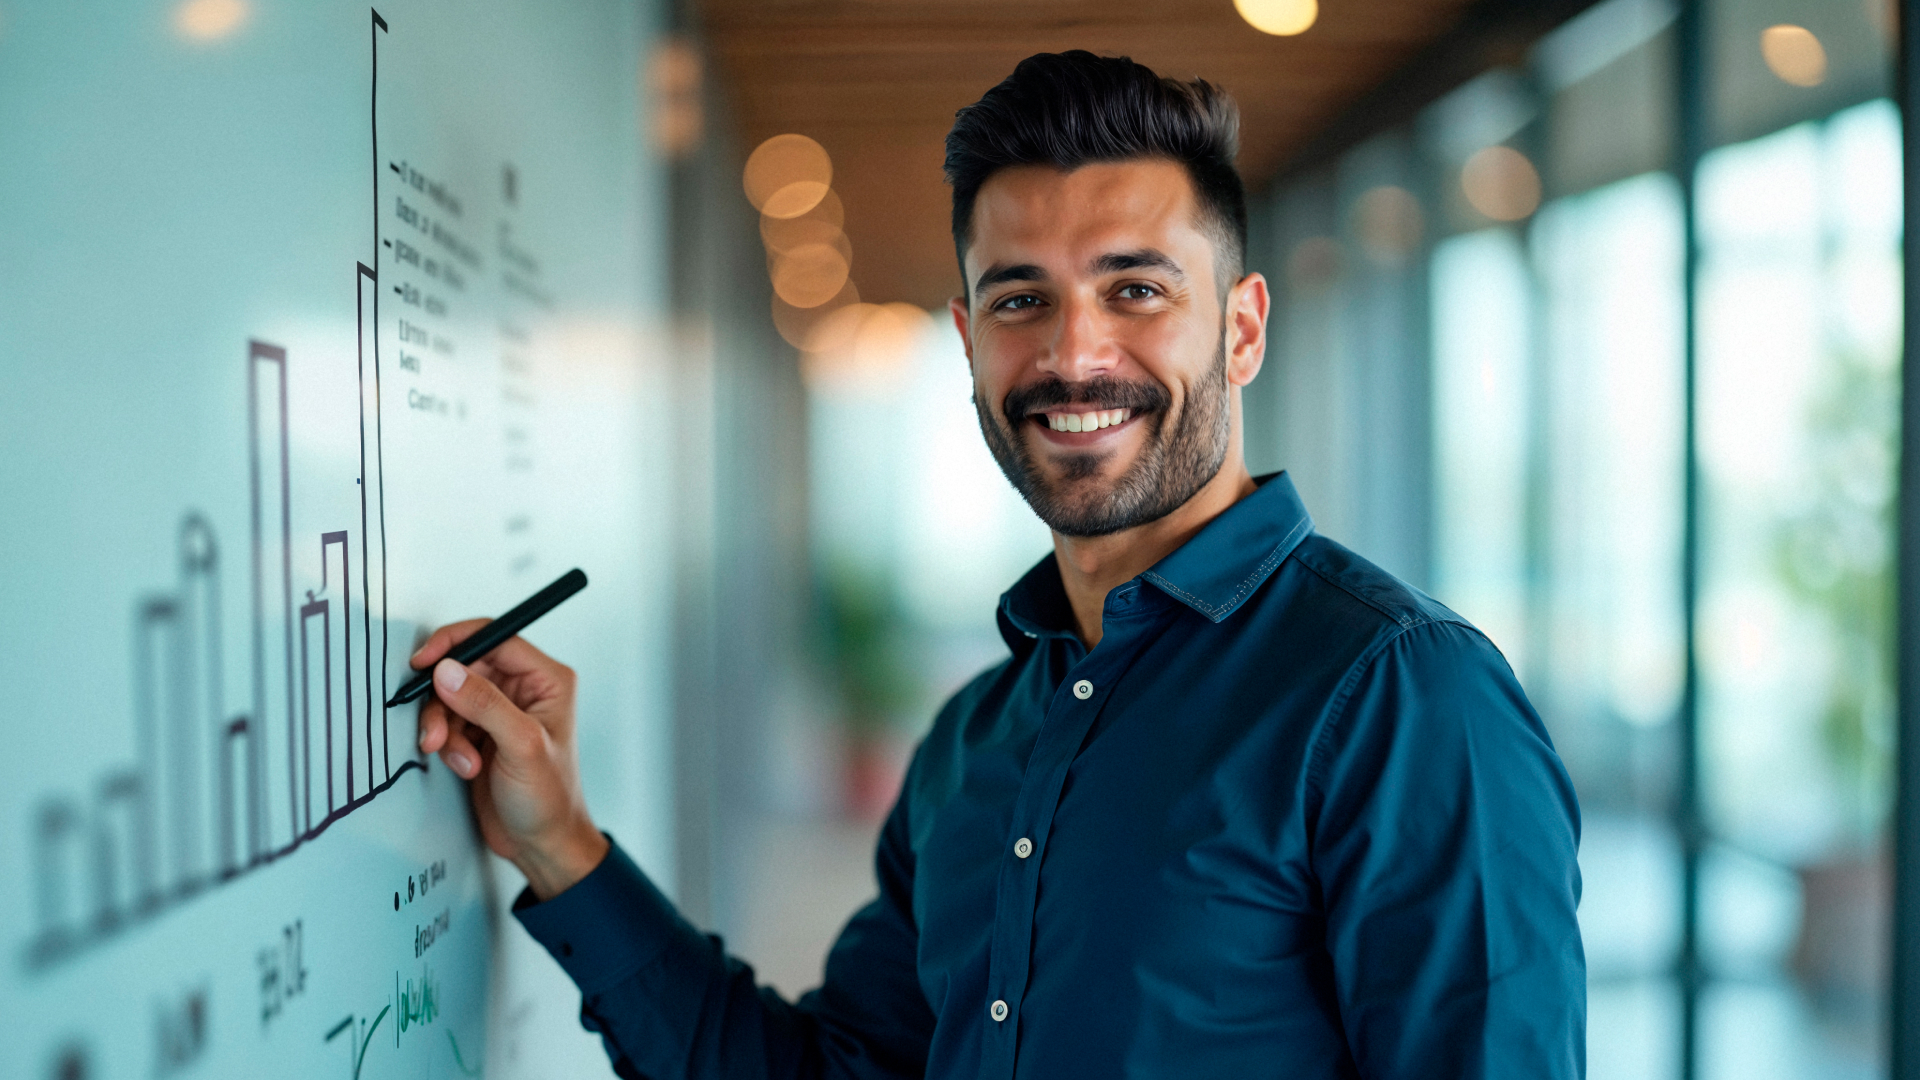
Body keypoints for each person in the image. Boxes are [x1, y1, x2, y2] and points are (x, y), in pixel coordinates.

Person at [411, 51, 1584, 1079]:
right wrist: (558, 841)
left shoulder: (1405, 695)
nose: (1075, 354)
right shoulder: (976, 742)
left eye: (1136, 289)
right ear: (970, 344)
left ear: (1241, 328)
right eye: (1023, 299)